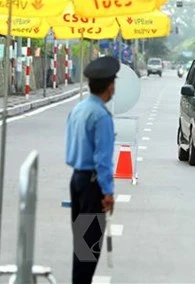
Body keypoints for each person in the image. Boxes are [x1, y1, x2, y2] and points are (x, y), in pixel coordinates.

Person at [66, 56, 120, 283]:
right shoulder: (101, 116)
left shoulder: (79, 108)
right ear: (110, 86)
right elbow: (103, 160)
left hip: (77, 180)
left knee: (81, 245)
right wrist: (108, 192)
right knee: (88, 248)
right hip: (92, 185)